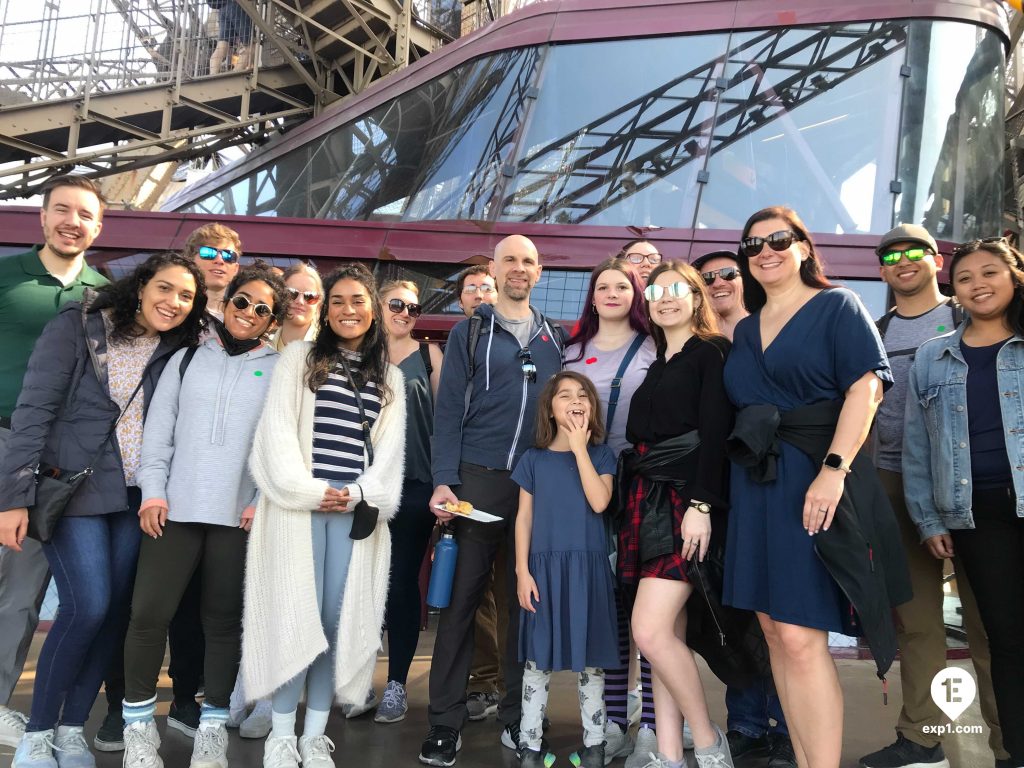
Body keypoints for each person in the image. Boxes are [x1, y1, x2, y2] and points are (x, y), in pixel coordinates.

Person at [0, 252, 207, 768]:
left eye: (186, 296)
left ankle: (72, 729)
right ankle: (37, 734)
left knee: (115, 612)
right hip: (77, 490)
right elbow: (33, 410)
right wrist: (12, 497)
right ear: (141, 286)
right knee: (86, 606)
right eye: (165, 289)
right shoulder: (79, 324)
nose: (173, 302)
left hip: (137, 498)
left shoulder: (180, 345)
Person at [723, 206, 909, 768]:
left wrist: (833, 470)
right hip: (755, 485)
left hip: (812, 478)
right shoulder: (745, 329)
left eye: (778, 239)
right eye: (752, 245)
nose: (765, 251)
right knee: (775, 633)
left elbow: (865, 390)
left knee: (802, 637)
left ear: (803, 246)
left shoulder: (837, 305)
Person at [118, 264, 286, 768]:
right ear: (226, 301)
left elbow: (276, 446)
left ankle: (213, 728)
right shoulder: (187, 358)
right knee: (148, 615)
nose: (249, 314)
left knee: (222, 621)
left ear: (272, 321)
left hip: (237, 517)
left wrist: (262, 498)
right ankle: (137, 731)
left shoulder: (280, 370)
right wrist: (152, 492)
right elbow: (158, 431)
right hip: (175, 510)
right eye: (242, 302)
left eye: (263, 310)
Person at [241, 263, 406, 768]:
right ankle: (281, 734)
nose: (347, 310)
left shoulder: (391, 377)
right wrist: (311, 491)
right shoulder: (298, 359)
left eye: (357, 300)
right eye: (336, 301)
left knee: (335, 623)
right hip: (297, 512)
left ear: (372, 310)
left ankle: (315, 735)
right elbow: (275, 437)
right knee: (297, 618)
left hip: (354, 515)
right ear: (325, 310)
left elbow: (390, 455)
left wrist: (357, 492)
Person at [860, 224, 1005, 768]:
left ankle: (1007, 742)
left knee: (990, 622)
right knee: (918, 623)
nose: (903, 261)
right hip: (893, 482)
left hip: (970, 483)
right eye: (891, 255)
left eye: (914, 251)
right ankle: (922, 739)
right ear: (881, 269)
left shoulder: (969, 316)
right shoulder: (874, 329)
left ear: (934, 260)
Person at [419, 234, 564, 767]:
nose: (519, 269)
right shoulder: (469, 331)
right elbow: (448, 409)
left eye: (528, 261)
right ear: (495, 270)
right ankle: (443, 723)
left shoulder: (556, 338)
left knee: (520, 607)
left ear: (539, 271)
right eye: (510, 260)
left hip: (534, 488)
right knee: (459, 606)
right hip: (475, 483)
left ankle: (518, 716)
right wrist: (443, 480)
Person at [903, 237, 1024, 768]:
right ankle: (1015, 753)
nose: (978, 283)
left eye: (990, 272)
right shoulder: (934, 355)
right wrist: (928, 519)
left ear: (1014, 277)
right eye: (967, 276)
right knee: (1007, 638)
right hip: (978, 516)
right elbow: (917, 447)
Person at [0, 175, 108, 749]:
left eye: (84, 214)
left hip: (48, 461)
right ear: (41, 218)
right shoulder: (6, 276)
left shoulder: (103, 292)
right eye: (61, 210)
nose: (73, 221)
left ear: (98, 226)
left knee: (21, 587)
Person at [619, 261, 734, 768]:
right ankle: (668, 754)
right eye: (656, 290)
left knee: (648, 630)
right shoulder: (659, 360)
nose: (664, 298)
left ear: (695, 296)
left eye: (677, 290)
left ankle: (708, 743)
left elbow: (716, 436)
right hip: (647, 501)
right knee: (664, 638)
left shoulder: (711, 352)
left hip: (685, 502)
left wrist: (701, 505)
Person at [690, 250, 794, 768]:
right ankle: (747, 722)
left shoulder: (764, 330)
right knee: (735, 611)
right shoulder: (701, 344)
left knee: (776, 613)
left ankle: (787, 724)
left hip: (767, 483)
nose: (718, 282)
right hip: (716, 492)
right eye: (706, 278)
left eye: (728, 273)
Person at [563, 257, 654, 763]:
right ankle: (616, 719)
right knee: (613, 611)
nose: (613, 293)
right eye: (603, 286)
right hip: (588, 486)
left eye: (623, 285)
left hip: (644, 488)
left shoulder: (655, 347)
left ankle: (656, 730)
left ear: (635, 295)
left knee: (653, 617)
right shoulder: (573, 351)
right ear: (592, 296)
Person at [513, 371, 618, 768]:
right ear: (550, 409)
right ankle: (530, 746)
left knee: (590, 662)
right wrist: (522, 571)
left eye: (583, 396)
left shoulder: (603, 455)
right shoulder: (533, 459)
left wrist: (579, 449)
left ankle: (594, 747)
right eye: (565, 395)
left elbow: (599, 502)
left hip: (587, 573)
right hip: (541, 572)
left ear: (592, 407)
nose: (576, 401)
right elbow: (523, 519)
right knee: (536, 663)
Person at [372, 280, 443, 724]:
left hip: (414, 485)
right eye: (396, 304)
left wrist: (445, 484)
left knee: (400, 586)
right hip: (361, 487)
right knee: (358, 585)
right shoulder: (358, 354)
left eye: (413, 307)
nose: (404, 312)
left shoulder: (430, 357)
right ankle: (354, 677)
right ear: (378, 305)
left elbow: (445, 423)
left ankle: (395, 683)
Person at [454, 265, 505, 722]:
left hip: (506, 479)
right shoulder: (456, 343)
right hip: (462, 481)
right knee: (472, 590)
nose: (480, 294)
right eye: (471, 289)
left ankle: (502, 682)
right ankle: (484, 679)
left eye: (486, 287)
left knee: (506, 586)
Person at [185, 223, 241, 319]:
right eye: (208, 252)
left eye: (229, 255)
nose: (219, 260)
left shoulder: (244, 319)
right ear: (190, 260)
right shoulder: (174, 311)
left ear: (236, 269)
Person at [271, 262, 322, 351]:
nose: (300, 301)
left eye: (310, 296)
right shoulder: (261, 347)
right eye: (292, 293)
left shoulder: (329, 352)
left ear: (319, 304)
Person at [209, 0, 252, 74]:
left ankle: (212, 75)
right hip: (239, 6)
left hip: (223, 8)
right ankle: (235, 75)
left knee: (221, 47)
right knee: (251, 46)